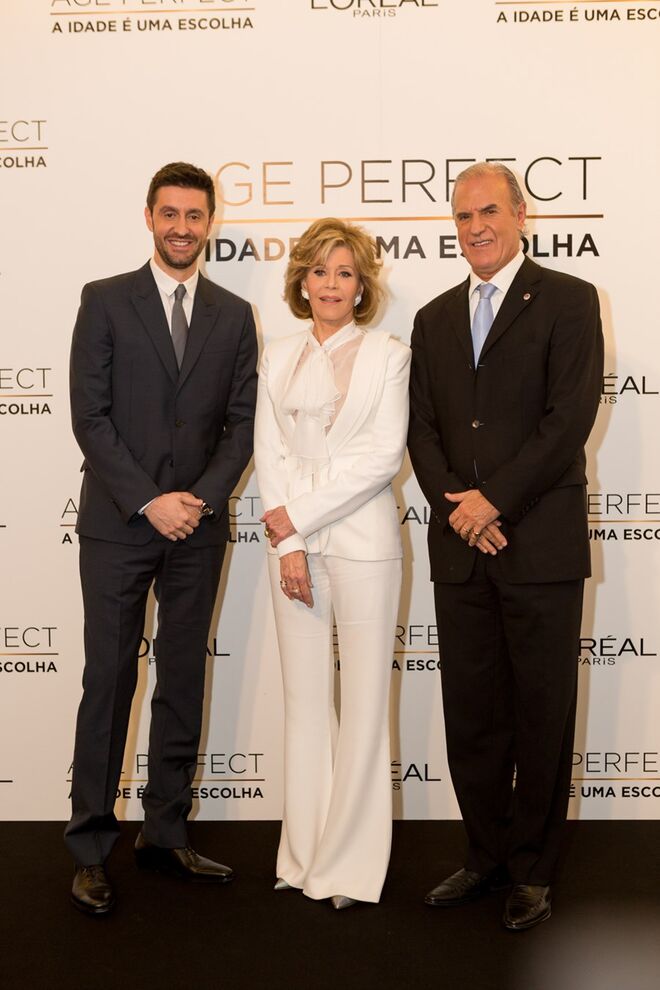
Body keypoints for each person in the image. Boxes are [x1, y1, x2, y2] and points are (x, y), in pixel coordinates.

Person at [407, 162, 603, 931]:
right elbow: (421, 430)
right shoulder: (432, 318)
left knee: (542, 711)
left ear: (522, 215)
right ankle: (484, 857)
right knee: (473, 715)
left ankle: (533, 870)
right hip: (462, 548)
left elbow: (569, 418)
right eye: (462, 216)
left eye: (490, 211)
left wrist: (495, 500)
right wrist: (460, 509)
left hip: (539, 545)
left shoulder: (569, 300)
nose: (476, 227)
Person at [65, 162, 258, 916]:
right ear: (149, 217)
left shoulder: (234, 314)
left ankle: (165, 829)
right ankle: (89, 845)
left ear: (209, 223)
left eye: (195, 215)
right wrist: (150, 501)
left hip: (199, 531)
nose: (182, 227)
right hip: (119, 526)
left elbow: (241, 424)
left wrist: (200, 502)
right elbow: (91, 416)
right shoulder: (105, 300)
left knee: (182, 678)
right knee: (109, 681)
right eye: (170, 213)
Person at [254, 218, 410, 910]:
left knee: (367, 704)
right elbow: (270, 452)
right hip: (290, 548)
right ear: (302, 280)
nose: (331, 285)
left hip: (364, 543)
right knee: (304, 703)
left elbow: (380, 457)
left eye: (345, 273)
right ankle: (305, 854)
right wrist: (288, 543)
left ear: (362, 285)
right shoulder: (276, 355)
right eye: (320, 271)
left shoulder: (388, 353)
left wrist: (299, 520)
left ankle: (349, 867)